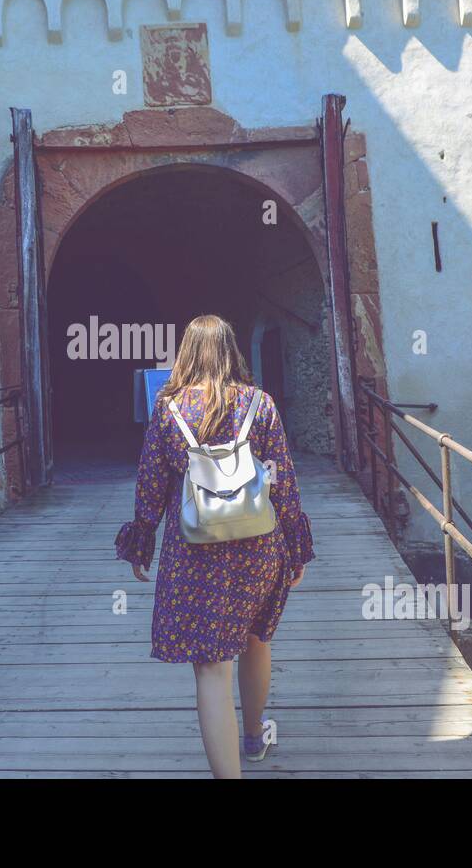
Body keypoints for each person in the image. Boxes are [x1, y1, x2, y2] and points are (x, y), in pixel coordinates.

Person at [115, 314, 314, 778]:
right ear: (233, 351)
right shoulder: (260, 405)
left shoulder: (168, 409)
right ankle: (253, 734)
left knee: (210, 668)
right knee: (255, 638)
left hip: (194, 551)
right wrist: (295, 546)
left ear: (187, 354)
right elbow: (282, 480)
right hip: (258, 546)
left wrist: (142, 540)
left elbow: (149, 483)